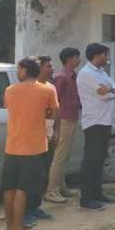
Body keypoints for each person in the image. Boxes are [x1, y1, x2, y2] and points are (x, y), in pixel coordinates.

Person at [2, 57, 59, 230]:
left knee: (9, 188)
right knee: (23, 189)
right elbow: (54, 112)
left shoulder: (9, 90)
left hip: (12, 145)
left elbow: (9, 108)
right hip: (33, 147)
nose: (18, 72)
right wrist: (44, 113)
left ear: (25, 70)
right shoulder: (47, 90)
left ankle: (10, 225)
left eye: (19, 69)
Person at [77, 43, 115, 210]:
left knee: (100, 158)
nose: (107, 58)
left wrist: (111, 89)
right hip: (94, 121)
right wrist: (112, 90)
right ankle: (86, 197)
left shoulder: (100, 72)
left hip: (105, 120)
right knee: (91, 160)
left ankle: (97, 192)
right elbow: (103, 94)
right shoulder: (86, 73)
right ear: (96, 55)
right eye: (105, 55)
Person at [44, 48, 82, 204]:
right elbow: (54, 101)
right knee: (59, 156)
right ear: (70, 59)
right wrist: (55, 125)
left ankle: (61, 186)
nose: (79, 60)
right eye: (77, 57)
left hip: (72, 118)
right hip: (64, 120)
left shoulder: (72, 76)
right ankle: (52, 190)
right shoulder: (62, 77)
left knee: (65, 155)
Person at [23, 56, 57, 227]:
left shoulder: (50, 88)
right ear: (39, 68)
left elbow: (55, 112)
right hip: (31, 140)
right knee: (29, 176)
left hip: (47, 138)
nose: (52, 69)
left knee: (42, 175)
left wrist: (56, 132)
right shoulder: (28, 89)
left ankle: (35, 206)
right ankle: (25, 212)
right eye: (48, 66)